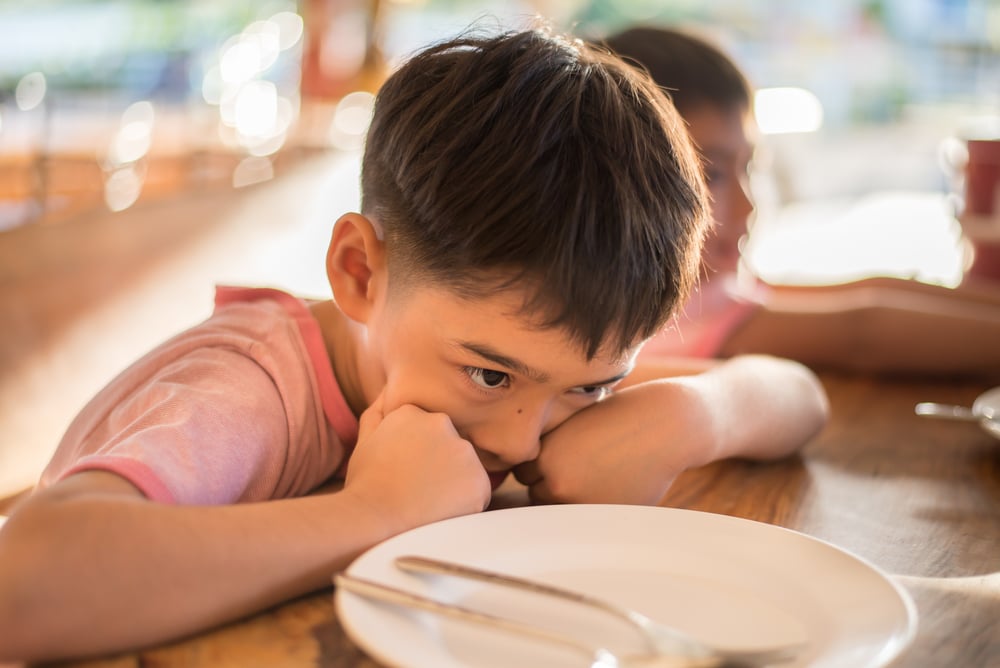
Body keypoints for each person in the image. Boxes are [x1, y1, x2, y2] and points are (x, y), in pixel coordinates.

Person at [0, 27, 828, 662]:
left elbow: (798, 394)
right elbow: (26, 583)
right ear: (361, 272)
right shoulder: (250, 389)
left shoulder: (525, 369)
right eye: (489, 374)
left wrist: (691, 416)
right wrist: (373, 515)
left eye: (594, 387)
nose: (520, 440)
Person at [603, 26, 1000, 379]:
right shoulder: (659, 323)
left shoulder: (705, 289)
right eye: (713, 175)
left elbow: (870, 288)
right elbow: (861, 333)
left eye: (750, 167)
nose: (749, 206)